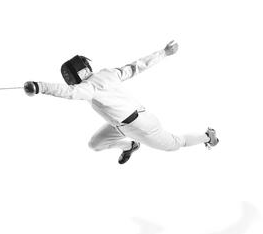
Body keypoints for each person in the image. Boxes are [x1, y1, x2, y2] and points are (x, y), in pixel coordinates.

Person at [24, 41, 219, 164]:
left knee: (177, 144)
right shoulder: (109, 74)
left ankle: (207, 136)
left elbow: (68, 93)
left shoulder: (88, 88)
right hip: (122, 125)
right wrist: (164, 52)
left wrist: (39, 87)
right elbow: (137, 66)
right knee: (95, 144)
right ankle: (130, 147)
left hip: (142, 127)